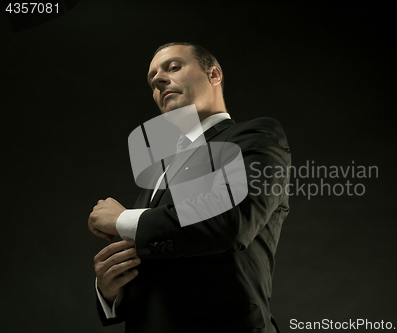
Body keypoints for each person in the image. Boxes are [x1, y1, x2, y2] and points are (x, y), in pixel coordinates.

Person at [88, 42, 291, 333]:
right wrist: (111, 289)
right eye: (152, 78)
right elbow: (162, 248)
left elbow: (231, 221)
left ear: (214, 75)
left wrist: (122, 219)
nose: (158, 79)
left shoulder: (257, 136)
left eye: (173, 67)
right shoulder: (158, 172)